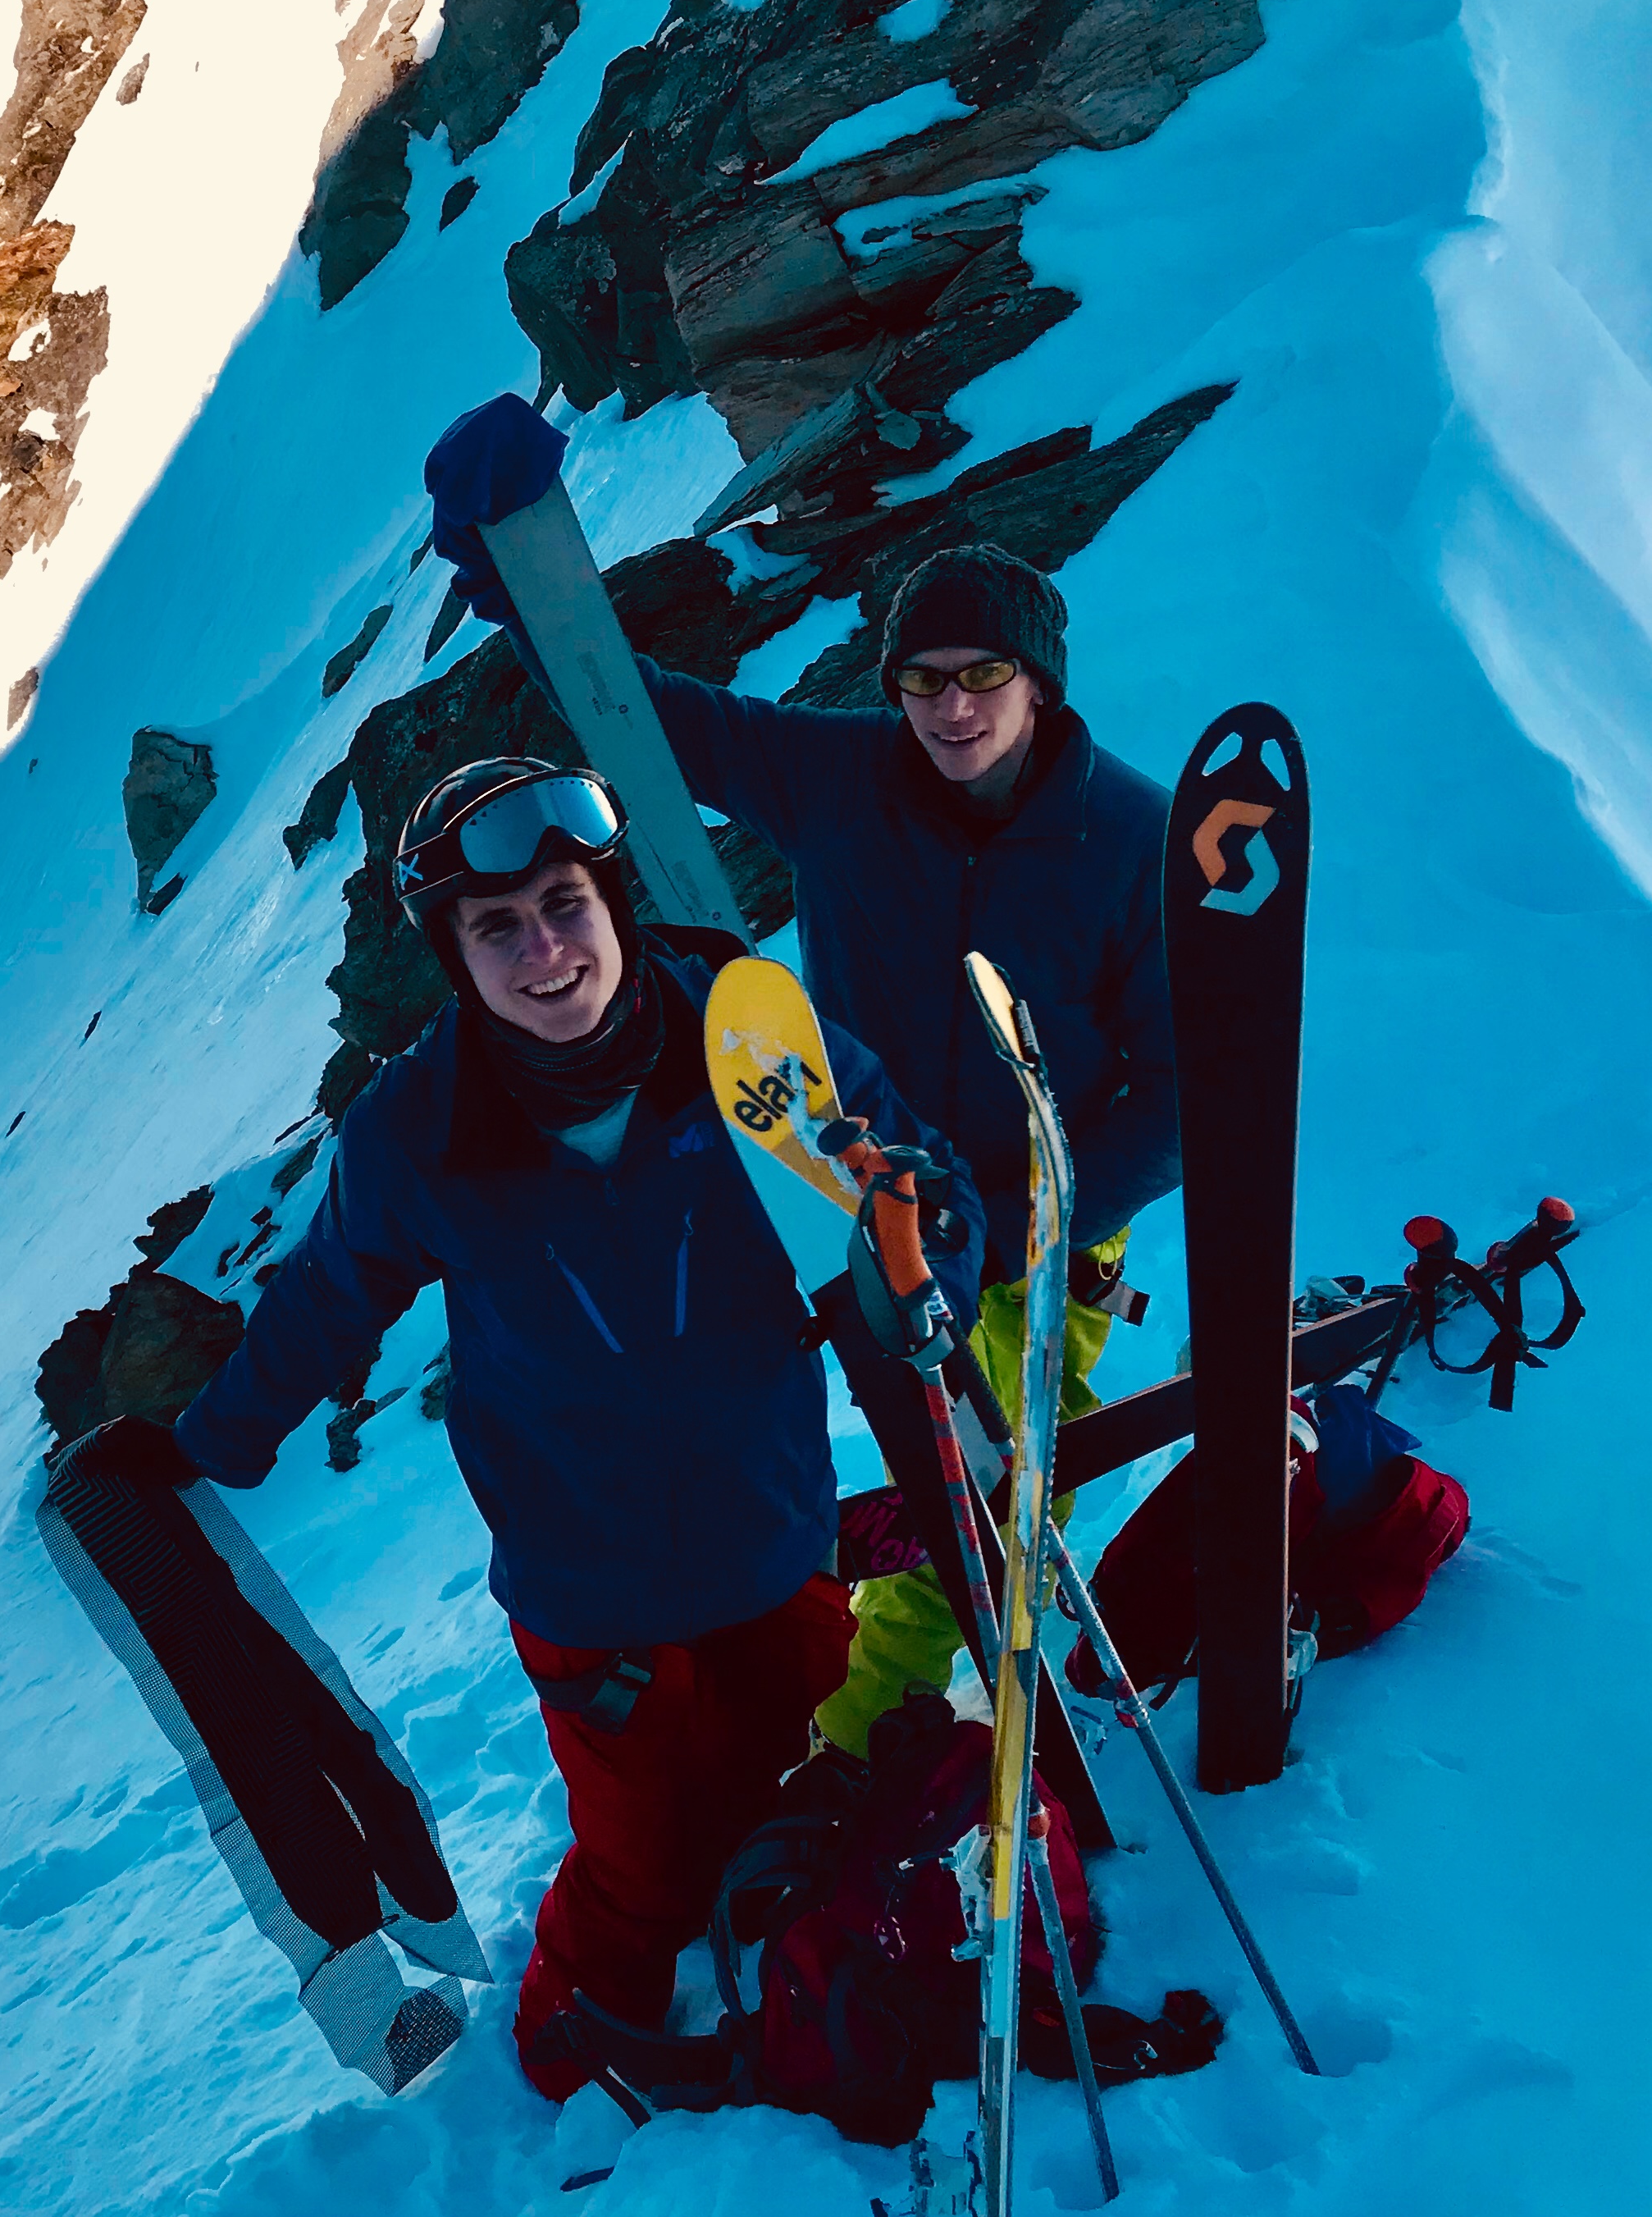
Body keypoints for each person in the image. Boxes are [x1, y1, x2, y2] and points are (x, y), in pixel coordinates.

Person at [66, 757, 983, 2100]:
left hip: (771, 1541)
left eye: (562, 905)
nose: (545, 952)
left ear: (611, 898)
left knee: (809, 1792)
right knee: (643, 1866)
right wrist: (211, 1443)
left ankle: (798, 1987)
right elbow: (332, 1297)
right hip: (588, 1593)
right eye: (496, 929)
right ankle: (560, 2063)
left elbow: (918, 1200)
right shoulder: (417, 1130)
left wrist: (925, 1267)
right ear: (453, 954)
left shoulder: (753, 1050)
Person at [422, 396, 1178, 1761]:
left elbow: (1179, 1094)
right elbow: (653, 728)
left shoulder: (1129, 838)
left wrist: (1031, 1227)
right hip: (844, 1190)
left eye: (981, 678)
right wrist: (526, 590)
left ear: (1040, 685)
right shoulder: (847, 779)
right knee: (897, 1450)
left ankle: (875, 1727)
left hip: (1033, 1225)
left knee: (1002, 1470)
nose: (950, 707)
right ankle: (823, 1684)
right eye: (923, 678)